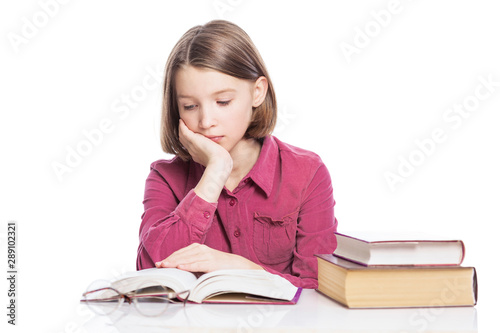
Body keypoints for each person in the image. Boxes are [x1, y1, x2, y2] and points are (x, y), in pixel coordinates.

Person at [136, 20, 338, 289]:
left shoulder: (307, 173)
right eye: (190, 105)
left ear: (257, 92)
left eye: (223, 102)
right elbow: (150, 272)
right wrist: (216, 169)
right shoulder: (165, 177)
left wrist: (243, 269)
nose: (206, 121)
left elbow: (319, 286)